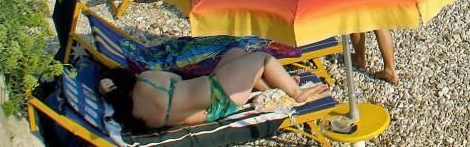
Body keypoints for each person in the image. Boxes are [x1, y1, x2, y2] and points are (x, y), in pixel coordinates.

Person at [97, 50, 326, 131]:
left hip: (214, 110)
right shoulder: (146, 81)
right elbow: (176, 76)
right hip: (221, 92)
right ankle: (295, 92)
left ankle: (273, 90)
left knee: (235, 52)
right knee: (263, 58)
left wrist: (109, 93)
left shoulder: (135, 116)